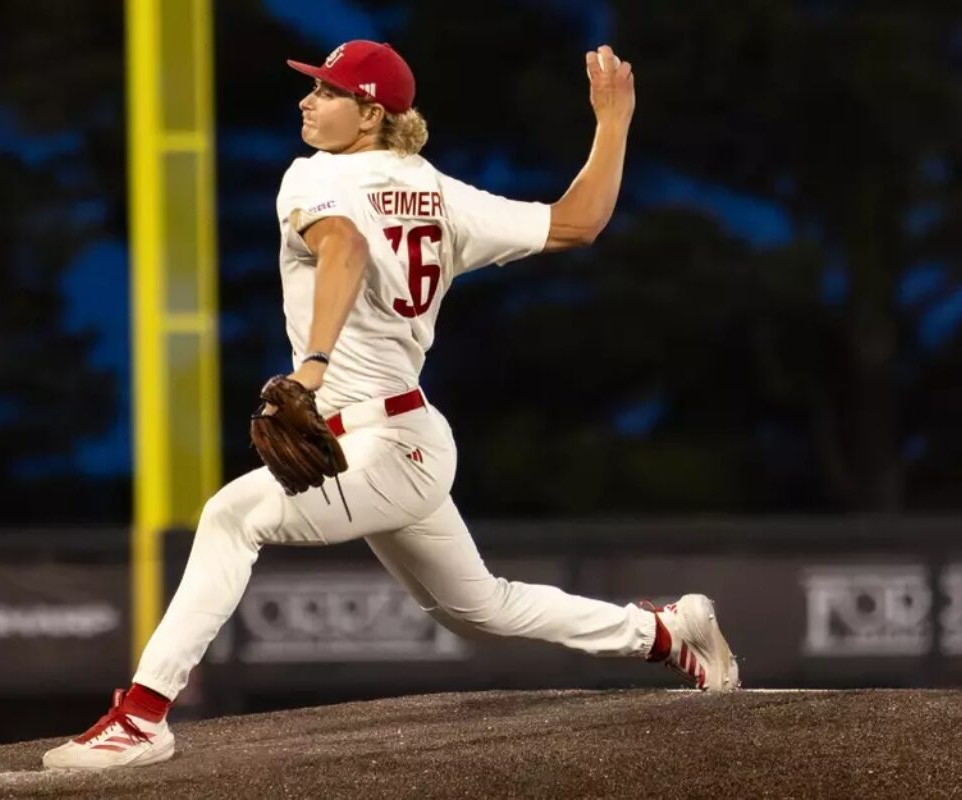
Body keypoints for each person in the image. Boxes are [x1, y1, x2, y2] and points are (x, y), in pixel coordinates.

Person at [43, 39, 739, 771]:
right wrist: (614, 123)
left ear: (371, 112)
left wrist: (308, 372)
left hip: (381, 444)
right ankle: (666, 633)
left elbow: (343, 245)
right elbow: (578, 222)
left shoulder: (314, 177)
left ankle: (143, 717)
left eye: (329, 92)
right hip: (403, 437)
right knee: (482, 607)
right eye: (313, 88)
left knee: (229, 517)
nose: (308, 101)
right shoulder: (441, 192)